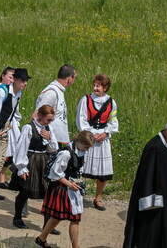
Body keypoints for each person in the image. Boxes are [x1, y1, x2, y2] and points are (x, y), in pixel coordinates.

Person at [123, 119, 167, 248]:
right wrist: (151, 200)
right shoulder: (154, 147)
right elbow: (147, 176)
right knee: (152, 232)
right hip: (157, 200)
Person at [34, 129, 93, 248]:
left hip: (72, 187)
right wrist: (69, 184)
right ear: (79, 141)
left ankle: (41, 238)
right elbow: (55, 173)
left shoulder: (80, 151)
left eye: (88, 148)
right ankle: (74, 246)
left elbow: (77, 168)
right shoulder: (66, 153)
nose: (87, 150)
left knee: (63, 217)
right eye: (86, 147)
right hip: (62, 187)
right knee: (66, 217)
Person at [0, 66, 29, 200]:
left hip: (5, 128)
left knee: (1, 160)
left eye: (26, 81)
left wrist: (10, 127)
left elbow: (13, 113)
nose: (24, 84)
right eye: (22, 81)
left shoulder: (18, 93)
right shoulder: (1, 93)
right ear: (15, 80)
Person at [13, 104, 60, 229]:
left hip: (44, 161)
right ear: (40, 116)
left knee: (47, 192)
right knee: (25, 191)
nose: (50, 122)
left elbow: (53, 149)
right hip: (31, 160)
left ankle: (47, 225)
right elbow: (21, 148)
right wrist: (22, 167)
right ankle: (17, 217)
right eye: (48, 119)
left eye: (51, 120)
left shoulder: (48, 128)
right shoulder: (28, 128)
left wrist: (49, 138)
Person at [76, 73, 118, 210]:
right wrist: (91, 134)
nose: (95, 88)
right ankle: (77, 195)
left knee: (103, 171)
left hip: (103, 140)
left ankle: (98, 197)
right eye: (94, 85)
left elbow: (113, 120)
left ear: (105, 87)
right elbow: (81, 118)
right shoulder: (85, 100)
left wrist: (106, 133)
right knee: (81, 168)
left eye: (98, 86)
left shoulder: (111, 102)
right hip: (88, 138)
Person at [36, 64, 76, 147]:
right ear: (69, 78)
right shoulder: (51, 92)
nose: (74, 81)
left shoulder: (59, 91)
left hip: (55, 140)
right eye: (74, 77)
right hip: (48, 140)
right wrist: (43, 133)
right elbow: (38, 114)